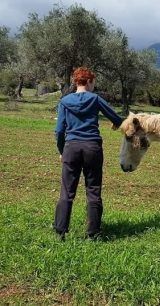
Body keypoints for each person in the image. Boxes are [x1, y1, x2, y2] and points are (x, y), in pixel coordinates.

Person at [53, 67, 123, 241]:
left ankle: (60, 231)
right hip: (92, 148)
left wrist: (62, 151)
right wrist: (115, 124)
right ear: (90, 82)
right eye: (93, 82)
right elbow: (117, 119)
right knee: (93, 190)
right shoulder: (96, 99)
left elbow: (59, 131)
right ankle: (93, 233)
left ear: (76, 82)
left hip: (71, 148)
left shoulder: (64, 101)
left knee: (67, 191)